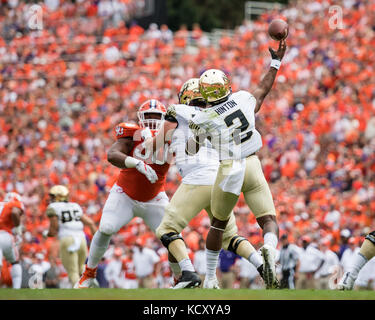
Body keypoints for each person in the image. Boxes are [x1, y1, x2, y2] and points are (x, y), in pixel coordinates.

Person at [186, 40, 287, 289]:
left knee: (218, 225)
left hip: (229, 168)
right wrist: (276, 62)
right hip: (252, 163)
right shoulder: (242, 98)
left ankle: (210, 278)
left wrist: (195, 129)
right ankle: (270, 250)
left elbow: (191, 149)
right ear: (226, 86)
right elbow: (263, 90)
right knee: (268, 219)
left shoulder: (204, 116)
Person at [147, 79, 265, 289]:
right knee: (228, 237)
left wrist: (148, 137)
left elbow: (152, 149)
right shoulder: (214, 115)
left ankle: (189, 274)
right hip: (220, 178)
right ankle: (262, 266)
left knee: (166, 229)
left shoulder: (178, 114)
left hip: (198, 178)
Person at [75, 99, 172, 288]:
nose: (152, 121)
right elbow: (112, 155)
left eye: (156, 117)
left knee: (173, 237)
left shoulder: (172, 136)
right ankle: (88, 274)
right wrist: (136, 163)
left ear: (164, 119)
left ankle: (180, 279)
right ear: (141, 119)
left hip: (155, 197)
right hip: (125, 194)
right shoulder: (132, 135)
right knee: (106, 228)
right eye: (148, 116)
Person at [44, 185, 97, 287]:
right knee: (81, 267)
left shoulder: (53, 207)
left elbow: (54, 229)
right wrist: (97, 241)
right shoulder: (75, 206)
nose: (50, 198)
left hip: (67, 239)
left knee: (72, 271)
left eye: (52, 196)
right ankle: (94, 286)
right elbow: (90, 222)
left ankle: (80, 295)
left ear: (57, 196)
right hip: (81, 239)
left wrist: (47, 234)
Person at [0, 192, 24, 289]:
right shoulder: (14, 204)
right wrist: (18, 227)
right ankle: (16, 290)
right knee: (15, 262)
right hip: (5, 235)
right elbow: (14, 212)